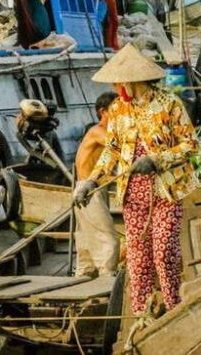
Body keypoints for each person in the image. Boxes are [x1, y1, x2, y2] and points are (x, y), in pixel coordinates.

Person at [73, 44, 199, 316]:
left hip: (166, 191)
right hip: (133, 195)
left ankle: (173, 309)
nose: (117, 86)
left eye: (120, 81)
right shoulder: (118, 109)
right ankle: (140, 314)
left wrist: (156, 160)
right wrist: (91, 182)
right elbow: (112, 151)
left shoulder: (169, 104)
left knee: (164, 252)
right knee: (138, 259)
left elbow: (191, 145)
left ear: (134, 81)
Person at [73, 92, 120, 278]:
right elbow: (118, 145)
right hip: (88, 190)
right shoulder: (97, 131)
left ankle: (84, 276)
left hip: (95, 189)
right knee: (108, 239)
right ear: (103, 112)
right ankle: (108, 278)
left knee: (85, 239)